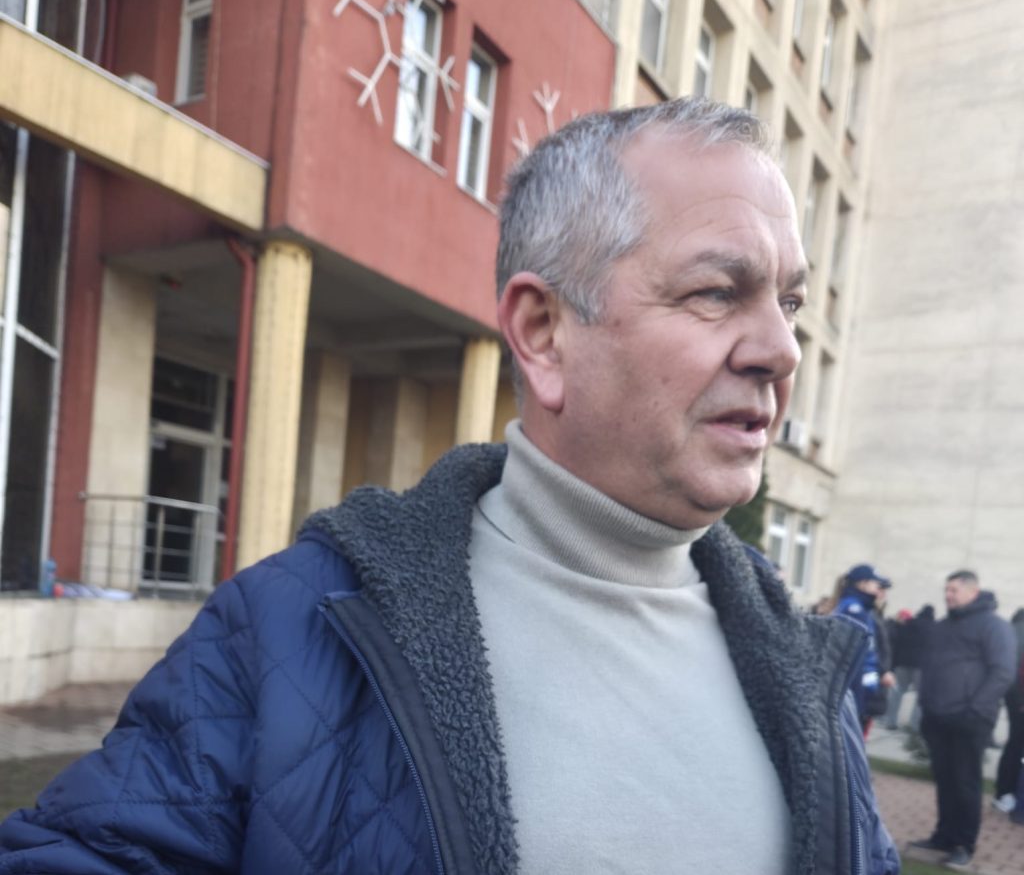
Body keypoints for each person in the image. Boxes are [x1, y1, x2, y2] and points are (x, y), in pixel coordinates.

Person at [0, 99, 899, 874]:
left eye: (788, 302)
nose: (780, 350)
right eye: (717, 292)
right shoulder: (291, 630)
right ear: (543, 332)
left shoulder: (805, 663)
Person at [911, 570, 1016, 869]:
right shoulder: (943, 626)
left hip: (970, 720)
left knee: (966, 783)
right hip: (937, 717)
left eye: (954, 590)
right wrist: (925, 703)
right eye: (946, 590)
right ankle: (944, 836)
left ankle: (963, 845)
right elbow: (929, 666)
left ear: (973, 591)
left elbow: (1003, 672)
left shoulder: (994, 627)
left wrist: (975, 708)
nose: (948, 595)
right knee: (945, 780)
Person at [833, 564, 895, 735]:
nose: (878, 589)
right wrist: (868, 692)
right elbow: (861, 657)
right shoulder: (855, 610)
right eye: (876, 584)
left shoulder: (861, 609)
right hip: (855, 692)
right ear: (863, 584)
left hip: (858, 692)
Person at [884, 604, 935, 731]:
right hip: (920, 667)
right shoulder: (933, 628)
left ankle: (890, 721)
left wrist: (893, 664)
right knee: (920, 696)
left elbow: (897, 644)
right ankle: (914, 725)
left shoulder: (907, 625)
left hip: (902, 663)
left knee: (897, 692)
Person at [993, 607, 1024, 812]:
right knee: (1017, 745)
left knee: (1014, 743)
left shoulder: (1009, 630)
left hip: (1011, 694)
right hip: (1019, 695)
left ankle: (1004, 792)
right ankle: (1008, 793)